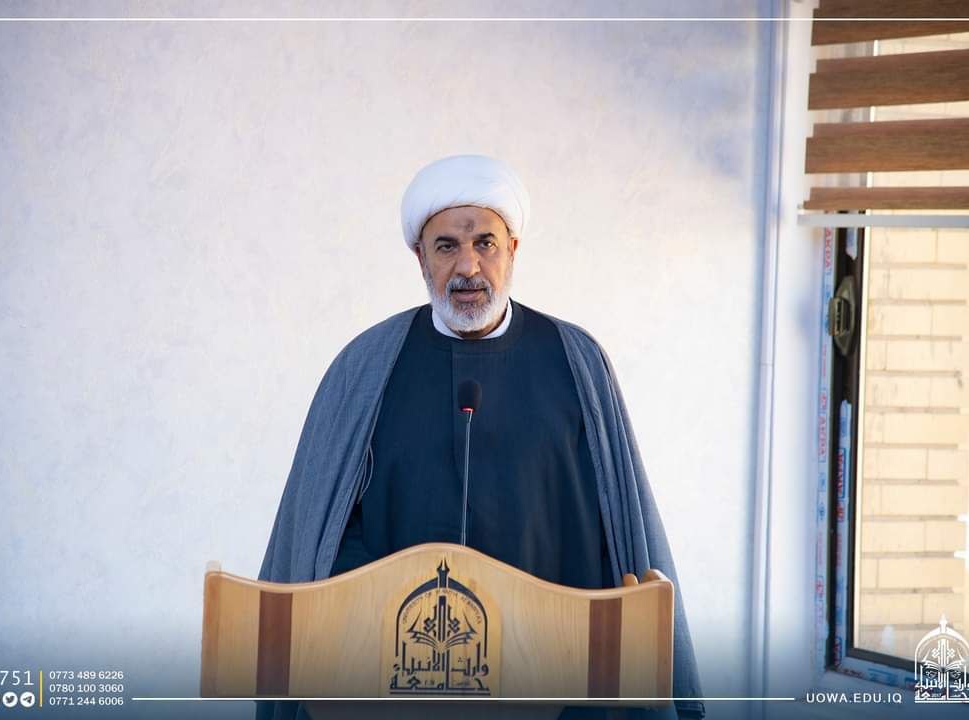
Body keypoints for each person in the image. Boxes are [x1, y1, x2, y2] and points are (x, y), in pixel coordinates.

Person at [256, 155, 703, 720]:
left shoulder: (576, 361)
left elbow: (610, 525)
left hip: (554, 680)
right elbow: (325, 536)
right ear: (420, 258)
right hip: (396, 683)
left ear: (512, 249)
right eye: (446, 246)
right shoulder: (366, 367)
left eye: (485, 243)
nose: (467, 266)